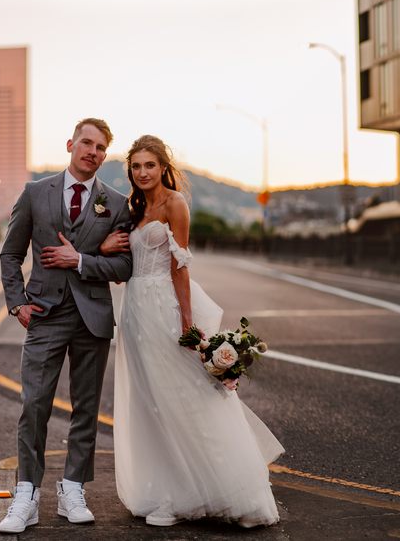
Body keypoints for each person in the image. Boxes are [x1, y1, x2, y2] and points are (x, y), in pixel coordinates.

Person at [106, 134, 284, 527]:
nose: (142, 172)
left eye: (149, 165)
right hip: (135, 309)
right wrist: (103, 249)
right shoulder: (135, 208)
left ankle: (206, 493)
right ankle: (165, 490)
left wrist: (187, 323)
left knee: (181, 396)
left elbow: (181, 267)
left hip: (163, 308)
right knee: (150, 400)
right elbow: (124, 264)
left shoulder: (175, 203)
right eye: (136, 167)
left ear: (163, 166)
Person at [0, 118, 133, 534]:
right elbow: (10, 253)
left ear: (105, 155)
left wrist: (82, 259)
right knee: (34, 405)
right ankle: (27, 493)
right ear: (70, 144)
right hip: (44, 314)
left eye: (100, 147)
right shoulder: (37, 193)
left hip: (92, 317)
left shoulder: (117, 203)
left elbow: (125, 266)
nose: (92, 151)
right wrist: (16, 303)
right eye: (86, 143)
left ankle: (73, 487)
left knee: (86, 409)